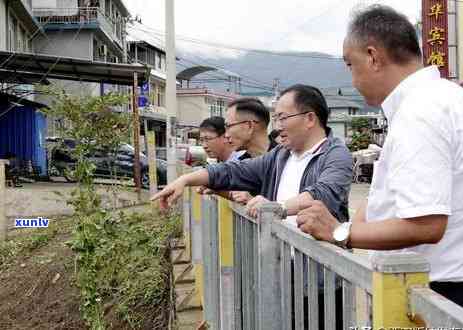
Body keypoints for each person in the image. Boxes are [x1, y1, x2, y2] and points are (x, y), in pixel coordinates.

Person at [296, 4, 463, 308]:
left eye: (350, 64)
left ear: (373, 57)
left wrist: (338, 232)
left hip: (437, 293)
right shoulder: (440, 99)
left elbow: (427, 224)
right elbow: (386, 198)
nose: (352, 79)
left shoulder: (420, 112)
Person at [152, 84, 353, 329]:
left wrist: (277, 207)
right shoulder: (281, 155)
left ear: (310, 118)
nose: (277, 126)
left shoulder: (336, 154)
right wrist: (186, 179)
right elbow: (233, 171)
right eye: (276, 118)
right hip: (282, 272)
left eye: (282, 118)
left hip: (320, 282)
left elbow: (324, 194)